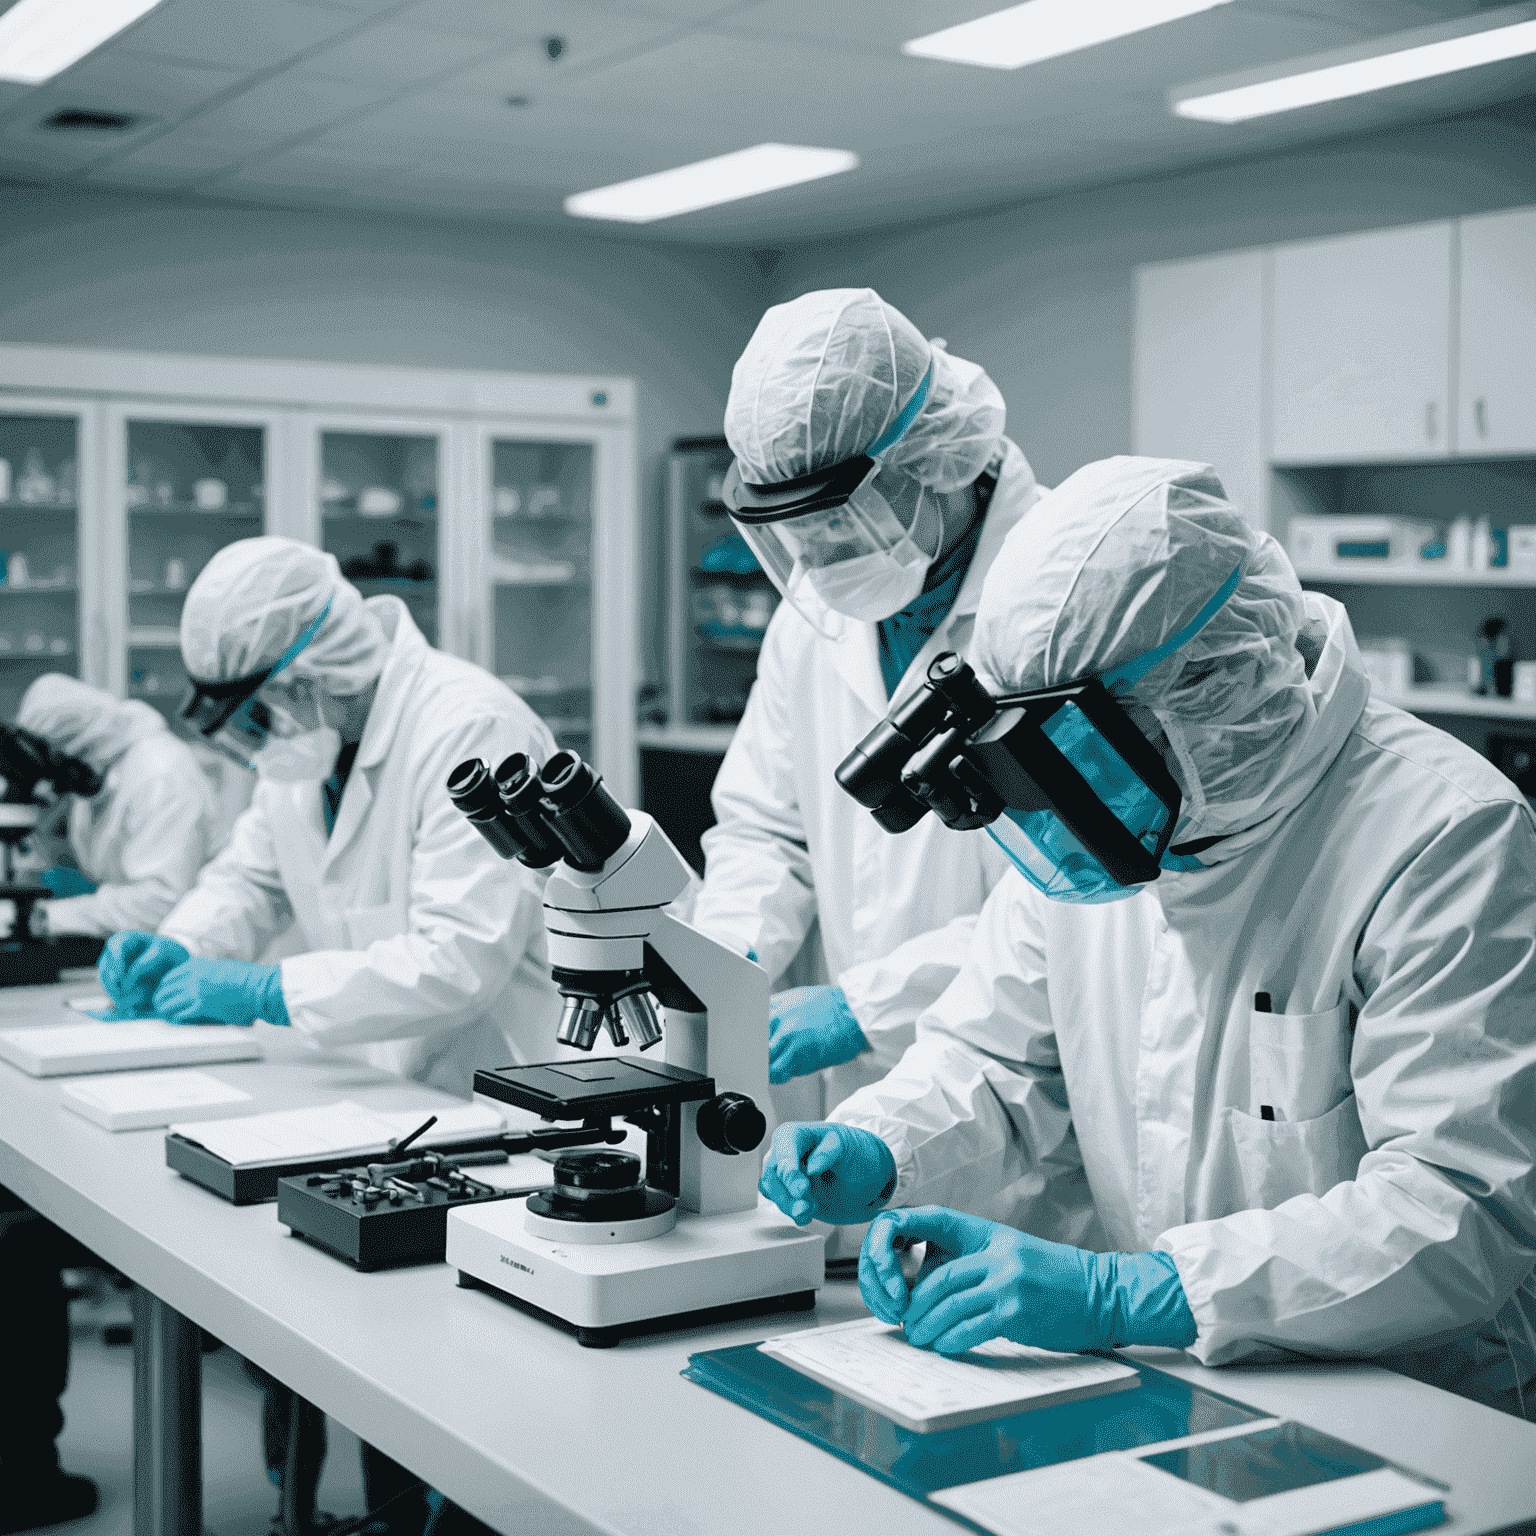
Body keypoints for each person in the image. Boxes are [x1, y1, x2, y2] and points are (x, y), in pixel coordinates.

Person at [760, 457, 1536, 1418]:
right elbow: (995, 1052)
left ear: (1212, 690)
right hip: (1179, 1381)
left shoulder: (1443, 831)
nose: (1071, 802)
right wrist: (879, 1143)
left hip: (1415, 1396)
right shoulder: (1127, 815)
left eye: (1089, 752)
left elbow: (1458, 1208)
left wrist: (1128, 1291)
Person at [94, 536, 563, 1531]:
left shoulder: (467, 724)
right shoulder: (301, 742)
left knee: (479, 1404)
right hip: (389, 1097)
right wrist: (174, 946)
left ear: (314, 673)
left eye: (261, 712)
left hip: (508, 1092)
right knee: (377, 1365)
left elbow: (458, 959)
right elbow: (250, 876)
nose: (257, 740)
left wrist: (265, 987)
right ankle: (375, 1514)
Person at [697, 288, 1042, 1152]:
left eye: (835, 523)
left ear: (934, 461)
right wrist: (730, 960)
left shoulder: (1058, 606)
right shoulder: (814, 616)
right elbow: (764, 826)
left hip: (1025, 1101)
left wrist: (868, 1005)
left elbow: (1066, 904)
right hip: (851, 1098)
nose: (814, 559)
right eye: (793, 533)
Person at [14, 674, 214, 940]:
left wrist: (52, 916)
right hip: (135, 943)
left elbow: (162, 902)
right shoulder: (105, 768)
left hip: (188, 946)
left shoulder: (162, 776)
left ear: (80, 748)